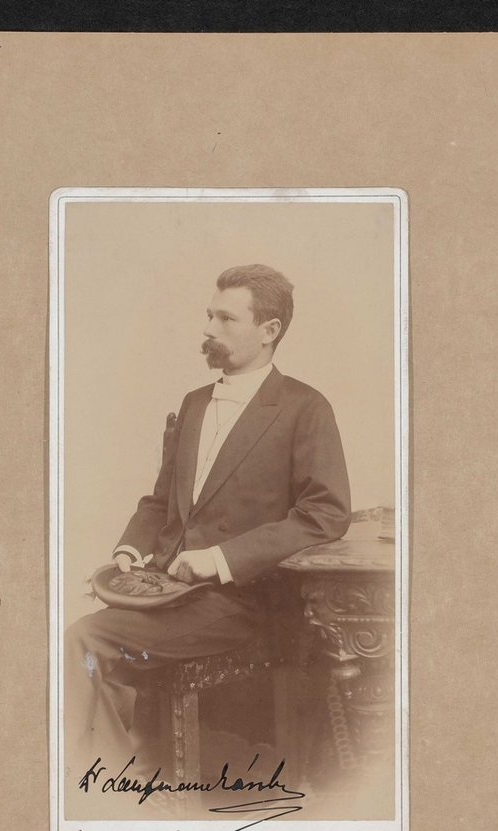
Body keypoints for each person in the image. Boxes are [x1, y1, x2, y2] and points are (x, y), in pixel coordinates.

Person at [64, 263, 351, 770]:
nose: (208, 329)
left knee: (86, 640)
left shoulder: (306, 408)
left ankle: (103, 785)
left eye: (226, 319)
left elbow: (325, 514)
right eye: (209, 315)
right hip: (171, 592)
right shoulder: (195, 404)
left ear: (269, 331)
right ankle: (113, 776)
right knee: (83, 646)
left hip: (241, 603)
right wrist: (128, 553)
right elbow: (161, 501)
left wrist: (219, 559)